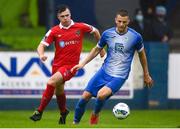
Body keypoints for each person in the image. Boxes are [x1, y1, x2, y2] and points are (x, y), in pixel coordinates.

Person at [71, 9, 153, 125]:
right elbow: (96, 50)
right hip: (104, 71)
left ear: (128, 21)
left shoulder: (135, 37)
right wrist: (83, 63)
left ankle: (95, 114)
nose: (121, 24)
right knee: (84, 97)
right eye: (119, 21)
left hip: (120, 75)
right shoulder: (107, 34)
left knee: (101, 95)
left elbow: (142, 55)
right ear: (115, 20)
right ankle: (75, 123)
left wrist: (146, 74)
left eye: (124, 22)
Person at [29, 4, 105, 124]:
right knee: (58, 91)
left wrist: (101, 49)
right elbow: (41, 45)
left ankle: (39, 112)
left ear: (70, 15)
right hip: (57, 66)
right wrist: (41, 54)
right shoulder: (54, 31)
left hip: (71, 66)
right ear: (58, 17)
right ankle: (63, 112)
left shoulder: (80, 26)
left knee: (51, 82)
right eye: (62, 16)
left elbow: (96, 31)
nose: (65, 18)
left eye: (67, 15)